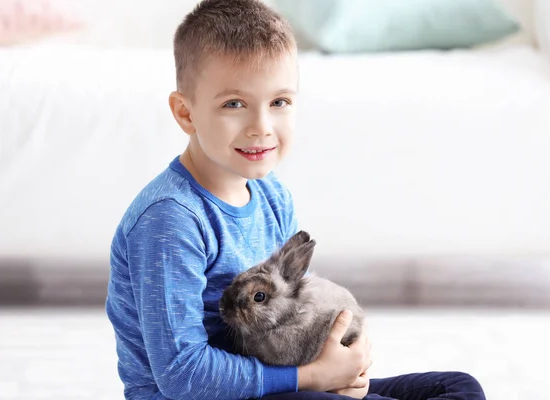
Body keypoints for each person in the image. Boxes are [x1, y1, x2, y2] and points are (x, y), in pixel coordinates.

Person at [105, 1, 486, 399]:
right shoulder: (170, 220)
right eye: (234, 104)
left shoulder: (272, 196)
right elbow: (181, 375)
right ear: (186, 113)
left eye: (279, 102)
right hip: (207, 393)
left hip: (280, 379)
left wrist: (342, 369)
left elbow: (295, 305)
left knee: (458, 387)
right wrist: (312, 378)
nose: (261, 127)